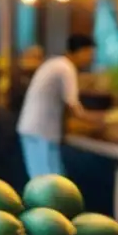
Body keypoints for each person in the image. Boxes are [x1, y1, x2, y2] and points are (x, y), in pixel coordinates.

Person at [18, 34, 102, 178]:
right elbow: (75, 109)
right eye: (90, 54)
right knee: (51, 187)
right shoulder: (66, 68)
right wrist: (103, 122)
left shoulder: (54, 63)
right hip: (41, 132)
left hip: (33, 129)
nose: (91, 58)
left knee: (43, 184)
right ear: (81, 51)